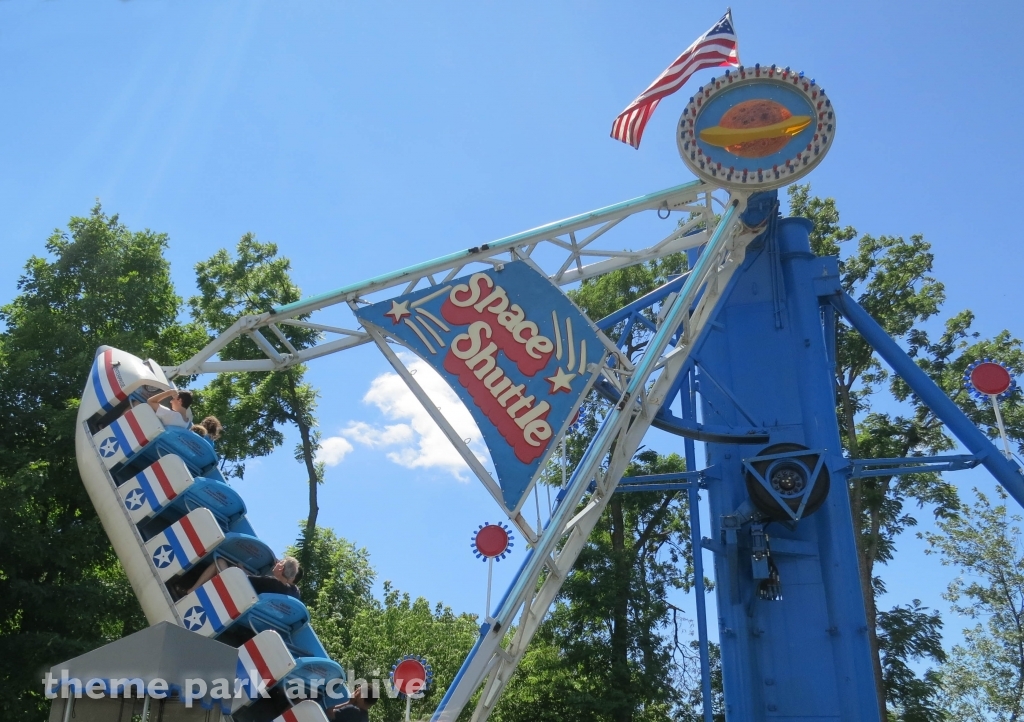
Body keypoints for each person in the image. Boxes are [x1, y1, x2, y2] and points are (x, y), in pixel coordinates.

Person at [184, 555, 302, 599]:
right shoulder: (292, 592)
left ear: (281, 569)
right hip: (251, 603)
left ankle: (192, 590)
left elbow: (244, 579)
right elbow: (255, 580)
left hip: (238, 595)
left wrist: (240, 569)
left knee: (219, 562)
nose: (277, 563)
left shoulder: (270, 582)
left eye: (280, 562)